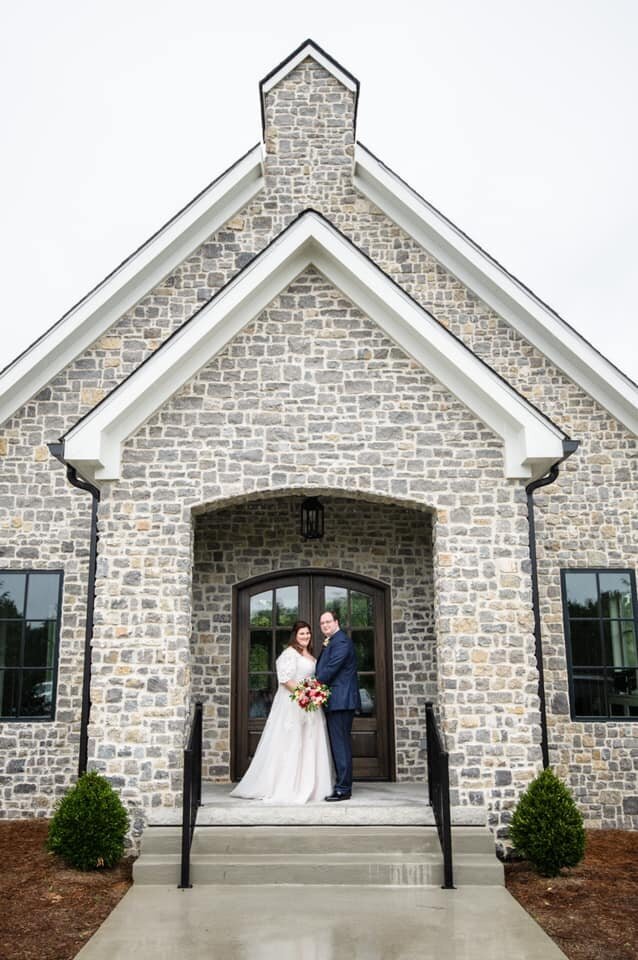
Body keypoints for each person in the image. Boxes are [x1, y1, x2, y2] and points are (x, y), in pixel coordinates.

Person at [230, 620, 333, 803]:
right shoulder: (289, 653)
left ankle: (310, 784)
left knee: (310, 742)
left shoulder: (309, 654)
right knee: (292, 743)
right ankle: (288, 785)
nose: (305, 636)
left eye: (308, 633)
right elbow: (285, 679)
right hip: (293, 704)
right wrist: (305, 695)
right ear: (295, 635)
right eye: (302, 633)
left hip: (310, 705)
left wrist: (313, 695)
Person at [315, 610, 361, 801]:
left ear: (336, 622)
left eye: (328, 622)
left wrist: (311, 685)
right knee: (338, 744)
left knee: (340, 745)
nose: (325, 625)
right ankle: (342, 784)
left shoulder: (341, 641)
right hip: (336, 701)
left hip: (341, 701)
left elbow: (331, 668)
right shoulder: (332, 641)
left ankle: (343, 789)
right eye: (322, 623)